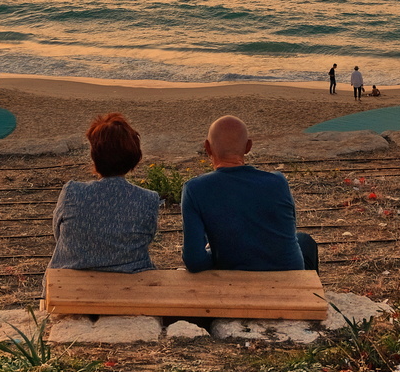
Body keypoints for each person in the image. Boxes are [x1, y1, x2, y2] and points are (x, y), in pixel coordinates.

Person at [180, 115, 318, 272]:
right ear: (248, 147)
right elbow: (287, 231)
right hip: (289, 280)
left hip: (237, 283)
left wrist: (218, 254)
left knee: (304, 240)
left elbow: (194, 261)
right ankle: (315, 295)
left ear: (207, 147)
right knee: (304, 240)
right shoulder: (278, 182)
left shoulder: (195, 189)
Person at [48, 113, 159, 272]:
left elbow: (60, 235)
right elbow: (147, 238)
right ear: (134, 157)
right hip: (131, 284)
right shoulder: (148, 199)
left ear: (94, 156)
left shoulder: (72, 192)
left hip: (69, 283)